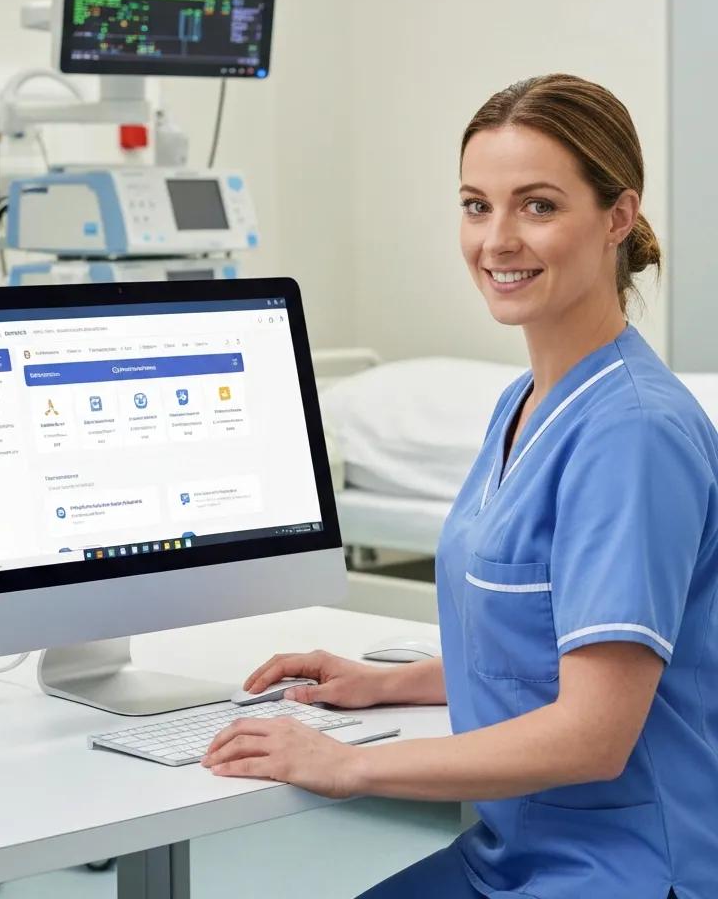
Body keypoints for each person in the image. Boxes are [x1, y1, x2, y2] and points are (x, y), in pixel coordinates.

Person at [202, 74, 718, 899]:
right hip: (515, 852)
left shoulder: (633, 435)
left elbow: (594, 734)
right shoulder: (523, 403)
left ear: (618, 217)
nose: (498, 239)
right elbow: (542, 649)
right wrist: (382, 681)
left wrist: (352, 769)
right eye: (477, 205)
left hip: (625, 870)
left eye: (539, 206)